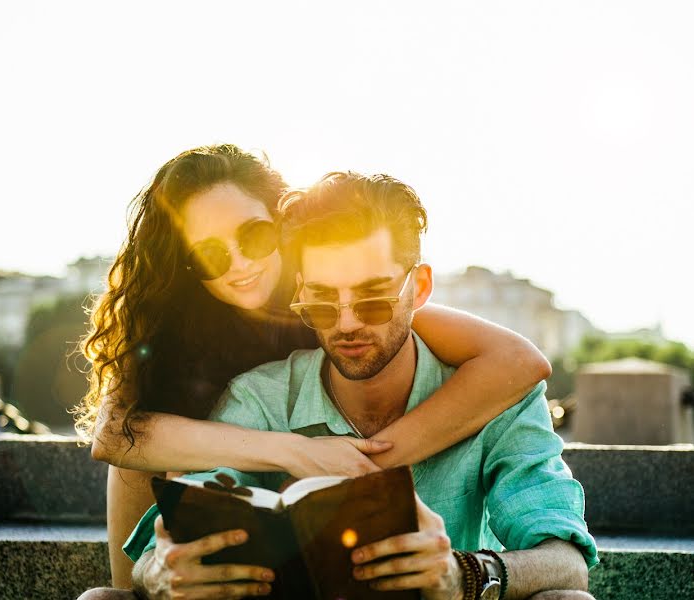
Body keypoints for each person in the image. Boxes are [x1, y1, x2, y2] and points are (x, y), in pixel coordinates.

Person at [73, 145, 552, 590]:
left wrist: (366, 464)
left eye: (254, 235)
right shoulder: (165, 315)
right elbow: (114, 434)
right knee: (133, 469)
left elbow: (519, 361)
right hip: (232, 449)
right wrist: (291, 452)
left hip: (320, 440)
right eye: (211, 254)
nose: (239, 264)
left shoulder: (339, 296)